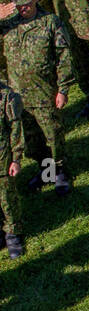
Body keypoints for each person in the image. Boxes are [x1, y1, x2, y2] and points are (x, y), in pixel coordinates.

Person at [0, 0, 75, 197]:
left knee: (52, 134)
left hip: (44, 93)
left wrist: (63, 89)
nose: (22, 9)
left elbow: (64, 56)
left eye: (26, 5)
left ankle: (59, 171)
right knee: (32, 139)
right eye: (19, 5)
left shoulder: (50, 22)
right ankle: (46, 170)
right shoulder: (8, 25)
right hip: (19, 98)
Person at [0, 77, 24, 258]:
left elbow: (16, 129)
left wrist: (16, 158)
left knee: (7, 199)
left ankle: (13, 233)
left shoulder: (6, 96)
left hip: (3, 160)